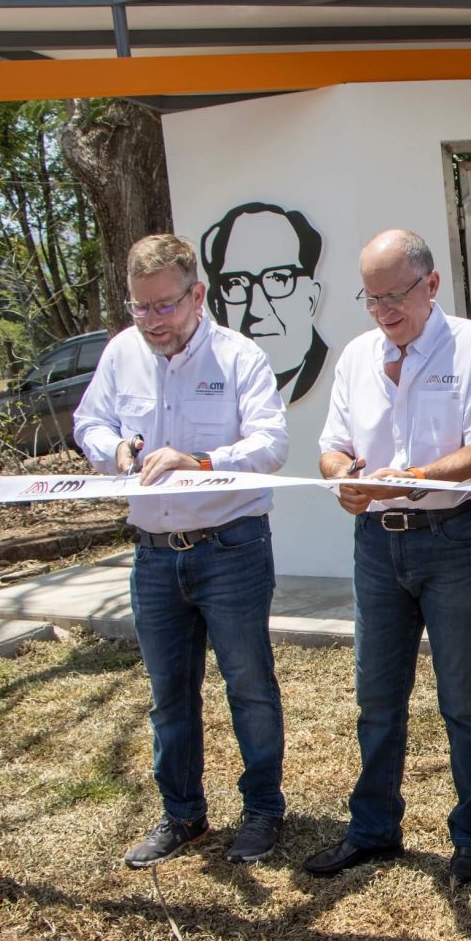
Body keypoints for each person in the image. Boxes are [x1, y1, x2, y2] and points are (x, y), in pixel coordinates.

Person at [74, 233, 290, 868]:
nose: (151, 321)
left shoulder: (238, 357)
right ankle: (182, 816)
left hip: (231, 547)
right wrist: (113, 448)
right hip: (153, 555)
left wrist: (200, 461)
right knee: (169, 692)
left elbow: (271, 443)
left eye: (164, 306)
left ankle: (263, 813)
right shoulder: (122, 352)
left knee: (248, 686)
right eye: (140, 306)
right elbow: (89, 422)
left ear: (197, 295)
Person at [302, 230, 471, 885]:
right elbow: (332, 446)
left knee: (462, 697)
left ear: (432, 284)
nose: (383, 311)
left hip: (456, 539)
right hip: (377, 542)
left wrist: (410, 477)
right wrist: (343, 479)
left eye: (395, 295)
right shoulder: (357, 356)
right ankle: (372, 829)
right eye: (371, 298)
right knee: (377, 695)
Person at [201, 203, 327, 404]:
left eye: (278, 278)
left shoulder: (346, 375)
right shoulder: (202, 381)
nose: (257, 309)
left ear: (312, 298)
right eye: (235, 283)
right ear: (216, 305)